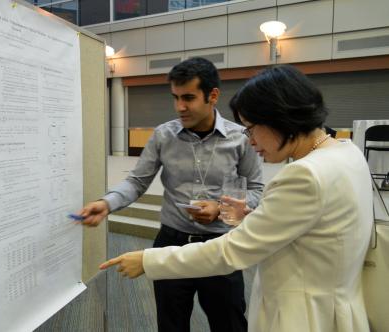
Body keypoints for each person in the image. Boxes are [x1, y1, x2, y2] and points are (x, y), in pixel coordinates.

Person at [100, 64, 373, 332]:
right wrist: (255, 217)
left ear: (278, 117)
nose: (250, 140)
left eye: (251, 128)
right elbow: (318, 228)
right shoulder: (347, 153)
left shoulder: (303, 174)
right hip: (335, 304)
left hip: (303, 313)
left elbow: (231, 250)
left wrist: (148, 260)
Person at [77, 57, 263, 332]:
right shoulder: (164, 135)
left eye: (188, 97)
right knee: (171, 324)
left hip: (221, 246)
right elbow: (136, 182)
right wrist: (107, 203)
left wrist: (221, 208)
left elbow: (257, 190)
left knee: (229, 323)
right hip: (170, 243)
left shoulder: (241, 137)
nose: (180, 107)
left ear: (212, 96)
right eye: (175, 97)